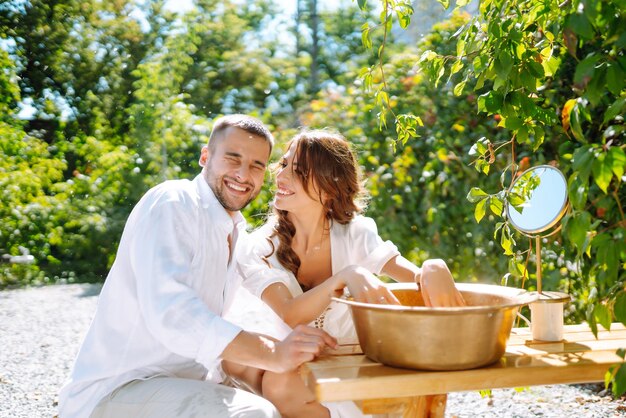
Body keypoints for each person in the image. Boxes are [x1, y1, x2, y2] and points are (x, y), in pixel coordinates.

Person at [58, 115, 337, 418]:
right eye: (233, 158)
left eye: (257, 165)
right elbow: (174, 312)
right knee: (253, 415)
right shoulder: (173, 202)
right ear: (205, 156)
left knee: (297, 396)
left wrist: (289, 351)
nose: (244, 174)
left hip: (181, 383)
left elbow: (268, 302)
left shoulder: (235, 231)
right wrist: (273, 354)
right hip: (118, 388)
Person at [237, 130, 466, 417]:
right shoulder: (260, 247)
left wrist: (435, 267)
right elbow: (290, 314)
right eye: (283, 165)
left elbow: (415, 278)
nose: (281, 178)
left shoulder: (355, 233)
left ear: (329, 186)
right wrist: (347, 275)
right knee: (281, 384)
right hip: (279, 371)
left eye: (298, 171)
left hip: (347, 363)